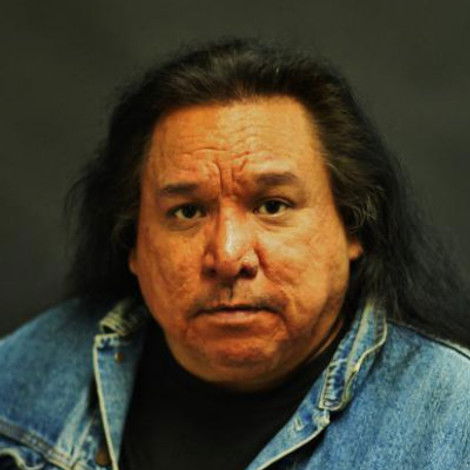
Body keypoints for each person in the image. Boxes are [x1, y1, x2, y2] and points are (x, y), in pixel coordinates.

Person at [1, 38, 469, 470]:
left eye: (272, 206)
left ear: (353, 227)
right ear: (133, 244)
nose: (227, 256)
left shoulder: (453, 420)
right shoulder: (18, 378)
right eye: (187, 212)